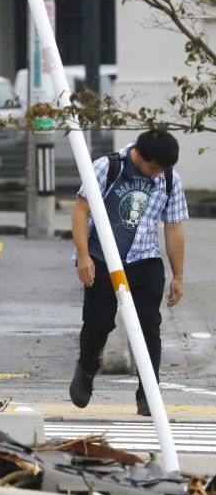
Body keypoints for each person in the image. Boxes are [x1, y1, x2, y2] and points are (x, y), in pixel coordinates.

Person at [70, 129, 188, 416]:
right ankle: (86, 368)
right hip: (102, 258)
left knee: (149, 327)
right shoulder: (107, 167)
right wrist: (83, 257)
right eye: (153, 167)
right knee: (98, 323)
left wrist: (178, 276)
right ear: (139, 155)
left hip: (145, 260)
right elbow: (80, 211)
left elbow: (173, 227)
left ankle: (148, 392)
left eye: (162, 168)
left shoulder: (168, 179)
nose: (156, 173)